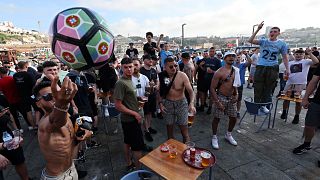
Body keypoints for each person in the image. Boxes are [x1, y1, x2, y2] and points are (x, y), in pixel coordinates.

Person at [34, 76, 92, 179]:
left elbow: (70, 138)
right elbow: (56, 121)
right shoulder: (44, 124)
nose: (54, 97)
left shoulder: (66, 115)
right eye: (48, 96)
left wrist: (86, 133)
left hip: (71, 169)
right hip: (57, 177)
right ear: (38, 103)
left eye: (56, 93)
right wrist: (62, 104)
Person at [248, 21, 289, 113]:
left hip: (272, 67)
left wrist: (288, 69)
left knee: (269, 88)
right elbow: (250, 40)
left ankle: (264, 105)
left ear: (279, 33)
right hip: (261, 66)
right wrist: (258, 29)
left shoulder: (282, 44)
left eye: (275, 31)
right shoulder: (264, 41)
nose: (272, 33)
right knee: (258, 87)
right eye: (271, 31)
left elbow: (285, 57)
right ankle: (257, 105)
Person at [114, 58, 145, 171]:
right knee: (137, 147)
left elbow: (127, 97)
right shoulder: (121, 83)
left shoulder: (129, 79)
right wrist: (135, 114)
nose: (129, 69)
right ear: (121, 68)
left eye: (130, 67)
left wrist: (137, 99)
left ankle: (129, 163)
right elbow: (117, 105)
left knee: (127, 142)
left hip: (130, 119)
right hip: (130, 120)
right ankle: (139, 171)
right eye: (126, 67)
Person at [158, 57, 196, 143]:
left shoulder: (182, 75)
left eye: (175, 65)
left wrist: (192, 103)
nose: (174, 68)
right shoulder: (162, 76)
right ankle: (172, 151)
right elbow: (159, 92)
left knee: (184, 131)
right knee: (169, 130)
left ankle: (186, 150)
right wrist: (160, 104)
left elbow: (190, 91)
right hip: (168, 104)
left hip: (181, 104)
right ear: (165, 67)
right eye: (171, 67)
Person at [210, 52, 241, 149]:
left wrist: (237, 94)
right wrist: (217, 102)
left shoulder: (235, 70)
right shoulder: (219, 72)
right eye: (229, 56)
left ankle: (228, 134)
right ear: (224, 58)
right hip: (221, 97)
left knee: (233, 117)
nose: (231, 58)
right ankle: (214, 137)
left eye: (233, 56)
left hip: (231, 98)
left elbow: (235, 85)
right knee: (217, 118)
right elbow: (212, 88)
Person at [280, 49, 319, 124]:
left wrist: (310, 53)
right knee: (286, 99)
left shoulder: (306, 61)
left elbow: (316, 62)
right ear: (294, 55)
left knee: (298, 101)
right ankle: (284, 112)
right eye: (297, 54)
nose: (298, 55)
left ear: (303, 55)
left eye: (301, 54)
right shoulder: (290, 62)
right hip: (289, 83)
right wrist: (285, 75)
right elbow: (286, 72)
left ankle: (296, 116)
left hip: (300, 84)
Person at [292, 64, 320, 156]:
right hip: (318, 101)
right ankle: (306, 144)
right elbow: (313, 81)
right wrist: (305, 98)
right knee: (309, 125)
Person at [139, 55, 158, 141]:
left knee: (150, 112)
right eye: (148, 59)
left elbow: (157, 82)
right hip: (144, 96)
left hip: (152, 94)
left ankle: (149, 127)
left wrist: (156, 86)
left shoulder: (154, 70)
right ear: (144, 60)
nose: (151, 60)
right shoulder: (141, 71)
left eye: (151, 59)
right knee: (145, 113)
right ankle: (146, 131)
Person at [13, 61, 36, 130]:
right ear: (26, 66)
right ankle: (38, 124)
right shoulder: (29, 74)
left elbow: (16, 86)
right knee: (37, 110)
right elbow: (34, 85)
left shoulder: (15, 75)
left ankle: (33, 126)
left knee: (28, 112)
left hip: (22, 96)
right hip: (31, 95)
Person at [203, 47, 222, 114]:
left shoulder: (217, 61)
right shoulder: (206, 60)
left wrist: (212, 71)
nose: (211, 52)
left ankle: (210, 107)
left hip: (213, 80)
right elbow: (204, 69)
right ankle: (203, 104)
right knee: (204, 92)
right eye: (210, 51)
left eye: (213, 51)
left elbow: (220, 72)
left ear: (215, 52)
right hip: (206, 79)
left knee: (211, 94)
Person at [234, 52, 252, 118]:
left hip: (239, 84)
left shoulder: (243, 65)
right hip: (232, 84)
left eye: (239, 57)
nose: (237, 59)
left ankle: (238, 111)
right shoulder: (232, 65)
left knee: (239, 99)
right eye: (236, 57)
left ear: (241, 58)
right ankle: (230, 110)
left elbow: (250, 61)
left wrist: (246, 54)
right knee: (231, 98)